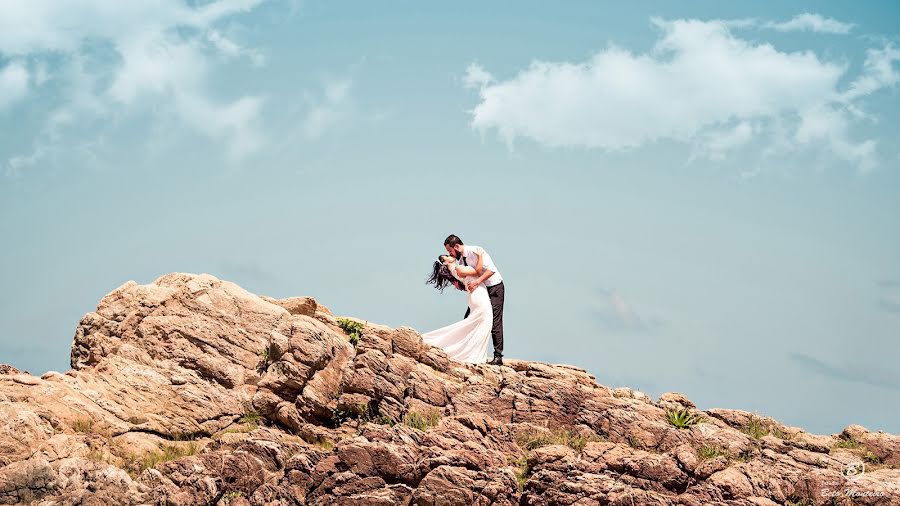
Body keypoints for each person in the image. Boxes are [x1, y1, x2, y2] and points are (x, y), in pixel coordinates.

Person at [443, 234, 505, 365]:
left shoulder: (475, 251)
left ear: (457, 246)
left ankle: (498, 356)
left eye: (450, 251)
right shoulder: (460, 261)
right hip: (481, 291)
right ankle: (465, 351)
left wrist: (477, 282)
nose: (450, 254)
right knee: (469, 319)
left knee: (495, 321)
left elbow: (491, 270)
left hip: (494, 287)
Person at [422, 255, 493, 363]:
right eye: (446, 256)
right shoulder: (457, 269)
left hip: (476, 295)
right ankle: (472, 353)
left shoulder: (456, 269)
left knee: (479, 324)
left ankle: (473, 353)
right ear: (445, 263)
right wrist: (480, 255)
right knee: (482, 323)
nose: (449, 255)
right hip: (478, 296)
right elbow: (478, 272)